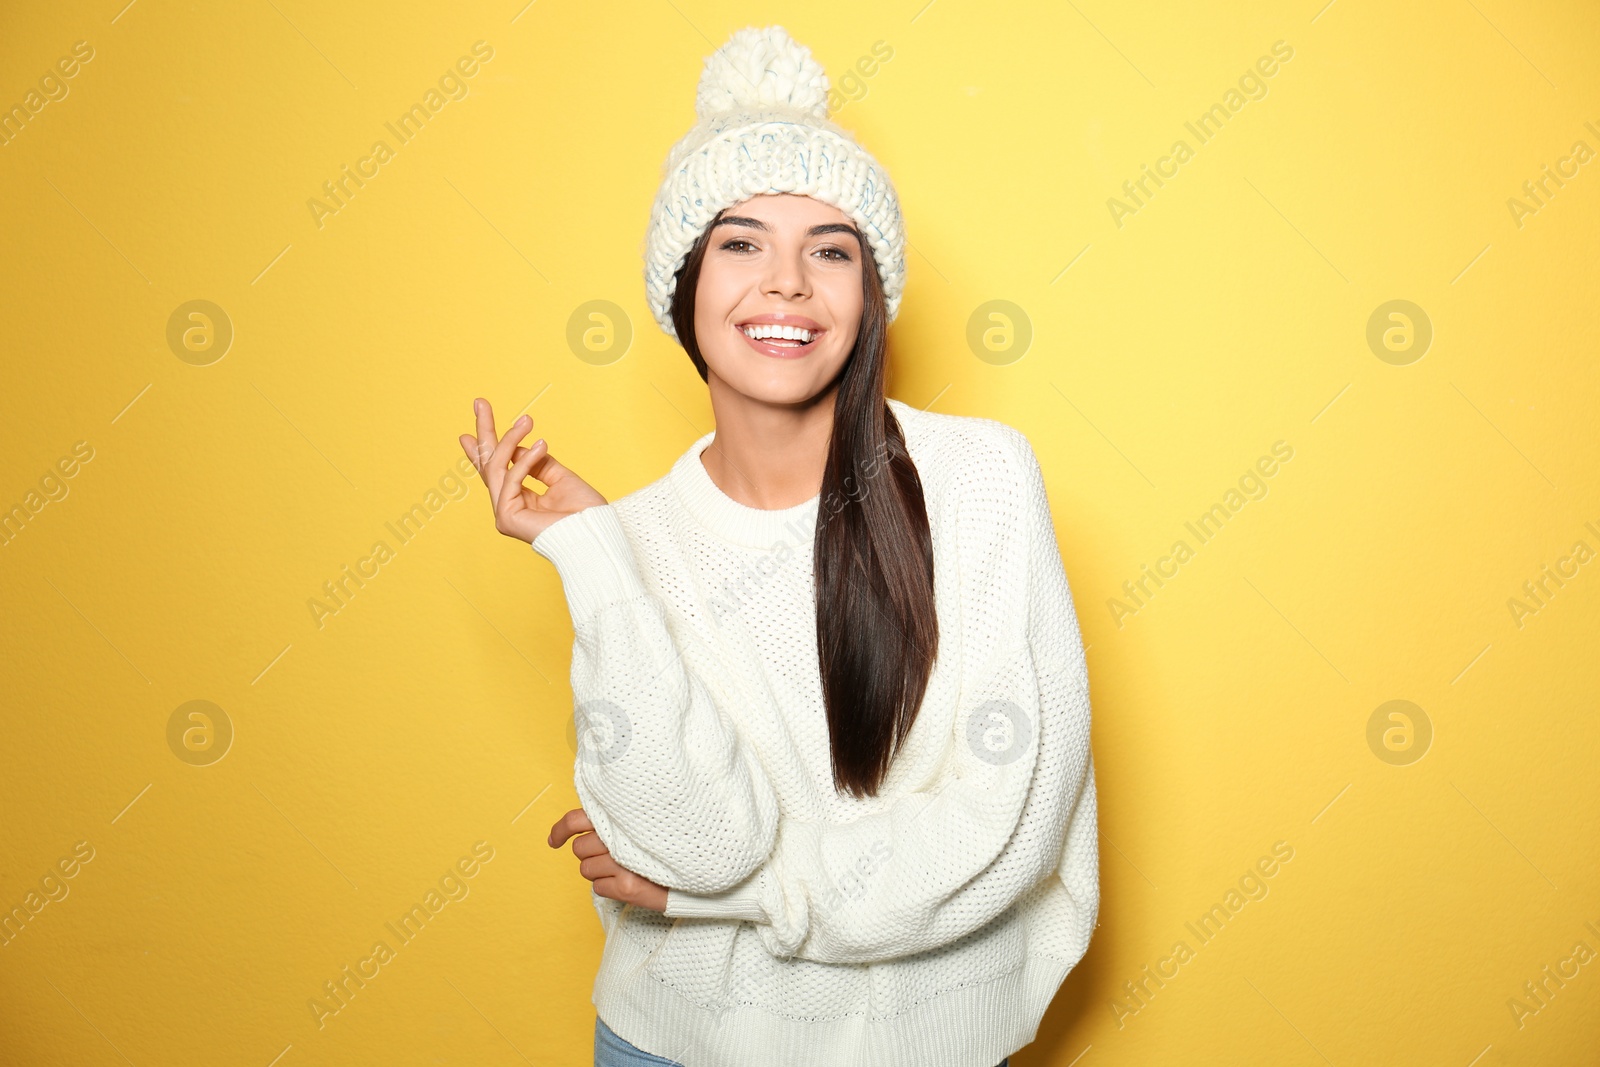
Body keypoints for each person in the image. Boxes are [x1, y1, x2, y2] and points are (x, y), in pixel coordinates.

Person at [459, 24, 1097, 1067]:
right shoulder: (634, 540)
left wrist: (723, 897)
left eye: (830, 250)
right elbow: (692, 839)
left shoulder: (981, 480)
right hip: (669, 1041)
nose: (787, 283)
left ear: (868, 297)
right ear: (685, 284)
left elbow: (1008, 825)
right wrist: (592, 556)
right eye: (742, 242)